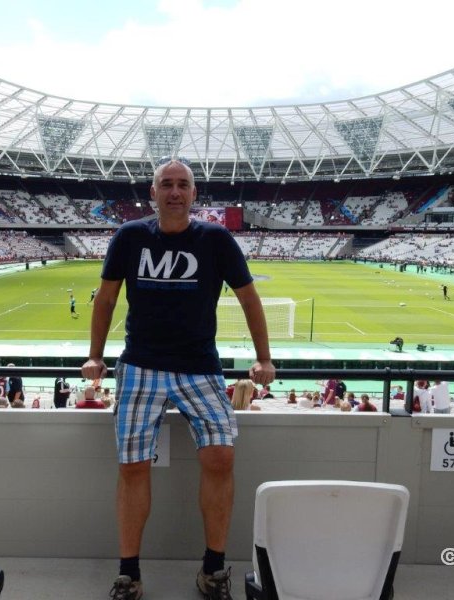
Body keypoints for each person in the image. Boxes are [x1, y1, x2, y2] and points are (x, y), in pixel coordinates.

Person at [81, 158, 275, 600]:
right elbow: (106, 300)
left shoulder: (215, 238)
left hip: (200, 367)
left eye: (182, 184)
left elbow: (249, 299)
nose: (173, 191)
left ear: (193, 194)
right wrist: (95, 355)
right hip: (140, 366)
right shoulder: (129, 236)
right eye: (165, 184)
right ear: (152, 193)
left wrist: (264, 358)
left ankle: (213, 568)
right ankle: (129, 572)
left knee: (221, 456)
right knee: (132, 465)